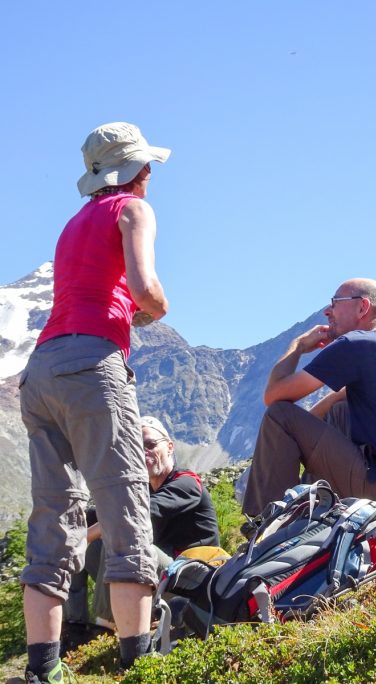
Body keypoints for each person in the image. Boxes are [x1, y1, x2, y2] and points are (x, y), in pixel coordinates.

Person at [18, 122, 170, 680]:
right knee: (124, 502)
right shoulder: (133, 209)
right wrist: (158, 306)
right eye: (147, 167)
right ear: (137, 171)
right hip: (92, 364)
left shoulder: (74, 222)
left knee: (53, 516)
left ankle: (43, 670)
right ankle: (139, 665)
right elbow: (144, 287)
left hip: (42, 370)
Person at [241, 278, 376, 517]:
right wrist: (307, 427)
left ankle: (268, 522)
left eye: (335, 302)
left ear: (362, 307)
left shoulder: (356, 343)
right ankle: (313, 509)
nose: (327, 311)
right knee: (339, 411)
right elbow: (339, 398)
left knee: (280, 415)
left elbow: (274, 396)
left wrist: (298, 346)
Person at [65, 416, 220, 628]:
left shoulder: (187, 483)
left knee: (117, 539)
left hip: (194, 582)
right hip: (163, 577)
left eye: (150, 444)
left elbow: (130, 516)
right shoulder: (144, 490)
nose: (143, 452)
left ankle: (105, 628)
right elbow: (107, 511)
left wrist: (83, 538)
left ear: (170, 447)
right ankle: (75, 626)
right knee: (81, 546)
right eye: (136, 448)